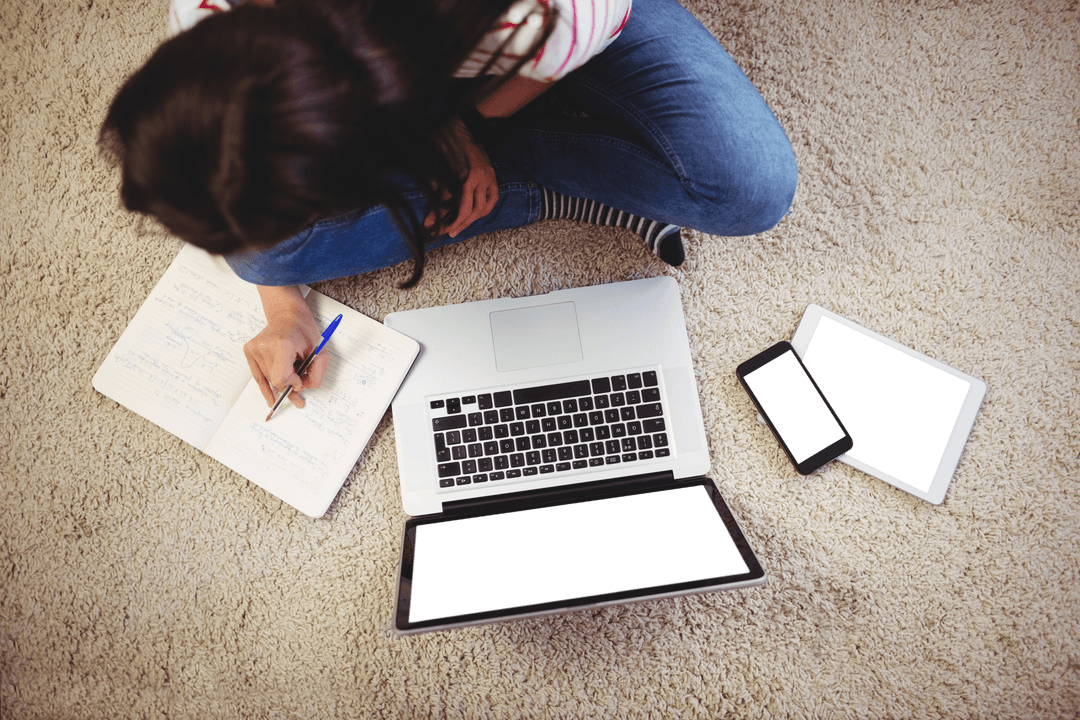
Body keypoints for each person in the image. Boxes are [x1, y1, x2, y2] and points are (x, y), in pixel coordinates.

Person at [101, 0, 797, 412]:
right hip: (419, 79)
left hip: (554, 32)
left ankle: (534, 175)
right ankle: (555, 180)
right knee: (258, 253)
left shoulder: (539, 18)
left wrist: (473, 132)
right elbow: (232, 187)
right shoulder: (214, 16)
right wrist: (284, 311)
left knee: (747, 186)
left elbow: (545, 52)